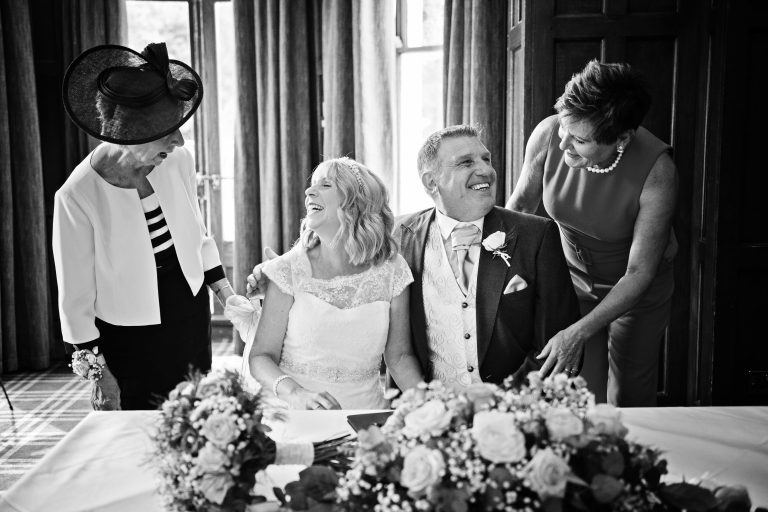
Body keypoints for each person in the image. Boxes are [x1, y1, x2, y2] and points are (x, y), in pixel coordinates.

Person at [54, 43, 233, 410]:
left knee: (193, 416)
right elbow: (75, 298)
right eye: (167, 131)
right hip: (129, 334)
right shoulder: (76, 196)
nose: (179, 140)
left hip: (189, 313)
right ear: (129, 133)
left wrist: (227, 295)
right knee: (137, 425)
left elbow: (197, 238)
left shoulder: (178, 161)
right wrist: (98, 372)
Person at [506, 60, 677, 406]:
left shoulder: (659, 174)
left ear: (622, 139)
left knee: (629, 393)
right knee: (580, 392)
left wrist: (578, 332)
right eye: (565, 129)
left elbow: (639, 272)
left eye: (581, 140)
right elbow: (519, 208)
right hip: (571, 282)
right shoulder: (549, 133)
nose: (564, 143)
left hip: (636, 291)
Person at [392, 125, 580, 388]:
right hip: (429, 411)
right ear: (431, 181)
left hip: (514, 410)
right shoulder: (399, 237)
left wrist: (504, 406)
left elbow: (556, 344)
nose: (485, 170)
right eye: (466, 162)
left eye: (486, 159)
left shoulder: (537, 235)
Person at [229, 157, 424, 410]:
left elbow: (399, 357)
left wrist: (428, 404)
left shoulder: (393, 270)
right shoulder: (286, 270)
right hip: (296, 413)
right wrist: (296, 394)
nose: (309, 191)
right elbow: (261, 357)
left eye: (325, 185)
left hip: (365, 414)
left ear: (354, 203)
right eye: (311, 185)